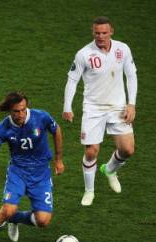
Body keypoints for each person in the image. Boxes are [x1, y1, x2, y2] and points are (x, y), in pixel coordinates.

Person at [0, 92, 64, 242]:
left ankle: (15, 219)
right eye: (16, 111)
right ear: (9, 110)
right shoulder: (2, 128)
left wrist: (58, 159)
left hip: (41, 174)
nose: (20, 114)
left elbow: (56, 130)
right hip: (18, 172)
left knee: (43, 220)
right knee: (7, 210)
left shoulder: (41, 117)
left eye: (23, 110)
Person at [62, 16, 137, 206]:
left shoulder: (123, 49)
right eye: (97, 33)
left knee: (127, 150)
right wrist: (67, 107)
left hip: (118, 107)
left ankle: (110, 170)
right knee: (91, 151)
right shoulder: (84, 54)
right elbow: (72, 80)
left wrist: (131, 104)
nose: (101, 36)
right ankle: (89, 191)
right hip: (93, 108)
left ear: (111, 31)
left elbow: (131, 75)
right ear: (92, 32)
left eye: (104, 32)